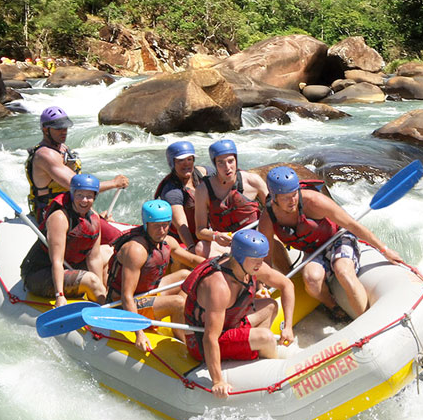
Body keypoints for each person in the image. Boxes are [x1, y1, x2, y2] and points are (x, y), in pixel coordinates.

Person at [257, 166, 403, 320]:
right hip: (313, 250)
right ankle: (333, 307)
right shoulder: (268, 218)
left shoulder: (314, 202)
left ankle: (366, 321)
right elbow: (264, 259)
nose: (292, 201)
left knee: (343, 272)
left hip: (339, 238)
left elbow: (352, 225)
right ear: (274, 197)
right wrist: (262, 285)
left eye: (294, 194)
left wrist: (384, 249)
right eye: (286, 197)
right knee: (312, 279)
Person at [183, 229, 295, 398]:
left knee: (270, 306)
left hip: (229, 324)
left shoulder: (248, 265)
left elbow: (287, 285)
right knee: (265, 336)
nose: (260, 264)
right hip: (200, 342)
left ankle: (255, 356)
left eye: (262, 258)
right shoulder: (219, 287)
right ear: (241, 257)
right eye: (256, 260)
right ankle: (272, 369)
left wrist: (288, 327)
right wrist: (218, 381)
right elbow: (210, 338)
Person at [106, 199, 205, 352]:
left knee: (185, 275)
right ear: (146, 225)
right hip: (122, 305)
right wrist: (138, 333)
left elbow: (192, 260)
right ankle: (187, 344)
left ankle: (184, 318)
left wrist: (219, 265)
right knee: (178, 302)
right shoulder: (136, 250)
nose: (162, 230)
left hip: (148, 293)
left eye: (165, 224)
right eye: (157, 226)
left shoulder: (168, 242)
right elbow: (127, 297)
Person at [26, 105, 128, 242]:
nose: (64, 131)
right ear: (45, 129)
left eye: (65, 127)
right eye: (58, 128)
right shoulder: (46, 155)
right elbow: (79, 186)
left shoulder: (62, 148)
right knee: (118, 239)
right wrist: (114, 183)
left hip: (73, 206)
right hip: (52, 211)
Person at [20, 173, 107, 307]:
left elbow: (94, 258)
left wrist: (100, 288)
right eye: (79, 195)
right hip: (41, 273)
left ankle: (104, 297)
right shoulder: (60, 218)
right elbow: (57, 261)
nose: (84, 200)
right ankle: (104, 307)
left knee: (107, 252)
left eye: (89, 196)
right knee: (91, 280)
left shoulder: (94, 218)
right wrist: (59, 295)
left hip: (69, 266)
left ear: (95, 197)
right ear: (72, 194)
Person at [193, 139, 268, 256]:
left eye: (230, 161)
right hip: (228, 245)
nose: (227, 167)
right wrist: (215, 236)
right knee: (201, 247)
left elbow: (275, 210)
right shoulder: (203, 190)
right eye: (221, 163)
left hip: (257, 238)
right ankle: (229, 272)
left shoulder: (253, 181)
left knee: (269, 238)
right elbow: (200, 231)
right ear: (215, 165)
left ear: (236, 160)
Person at [153, 140, 210, 250]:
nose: (186, 163)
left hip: (206, 232)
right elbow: (181, 226)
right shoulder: (171, 192)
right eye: (181, 160)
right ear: (172, 163)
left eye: (189, 159)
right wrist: (191, 247)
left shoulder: (203, 173)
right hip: (183, 240)